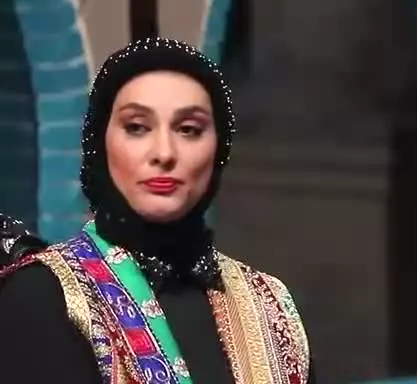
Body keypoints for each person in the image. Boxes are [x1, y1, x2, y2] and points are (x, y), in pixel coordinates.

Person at [0, 37, 314, 382]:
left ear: (219, 149)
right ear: (101, 143)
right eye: (137, 128)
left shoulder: (270, 304)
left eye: (188, 130)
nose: (164, 153)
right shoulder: (45, 294)